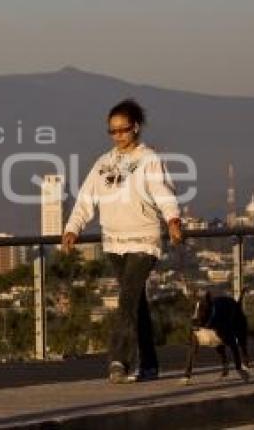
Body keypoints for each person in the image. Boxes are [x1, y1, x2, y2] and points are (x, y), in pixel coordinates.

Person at [62, 98, 183, 383]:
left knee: (126, 302)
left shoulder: (149, 159)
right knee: (136, 304)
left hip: (143, 241)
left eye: (123, 130)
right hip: (114, 243)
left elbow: (163, 192)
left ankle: (119, 361)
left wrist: (173, 220)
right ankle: (150, 365)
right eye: (112, 131)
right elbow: (86, 198)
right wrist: (72, 228)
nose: (118, 136)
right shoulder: (104, 162)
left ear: (136, 128)